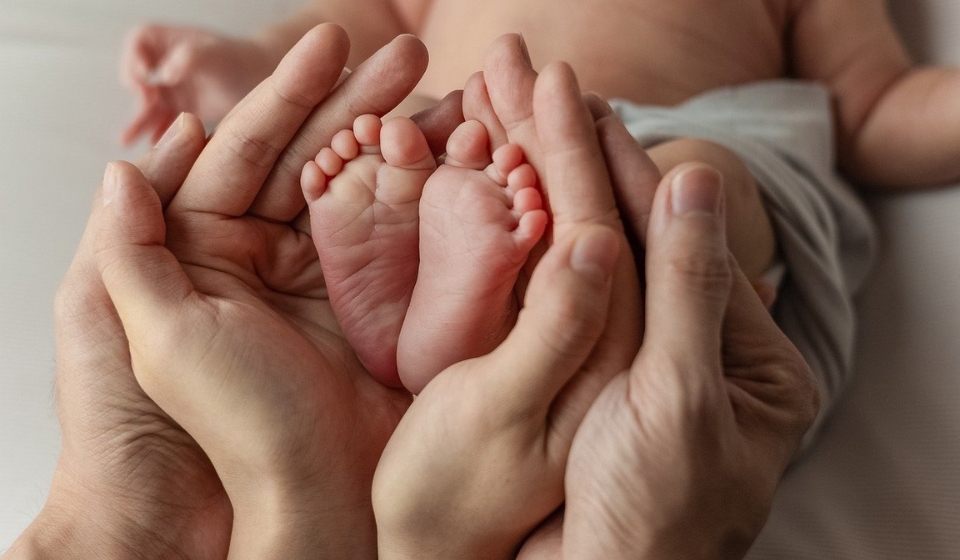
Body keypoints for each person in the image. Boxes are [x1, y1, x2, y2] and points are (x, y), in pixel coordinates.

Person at [6, 27, 818, 559]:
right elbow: (343, 27)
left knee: (692, 177)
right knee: (421, 130)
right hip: (481, 142)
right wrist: (241, 63)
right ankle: (462, 324)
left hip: (704, 122)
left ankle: (474, 314)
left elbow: (880, 100)